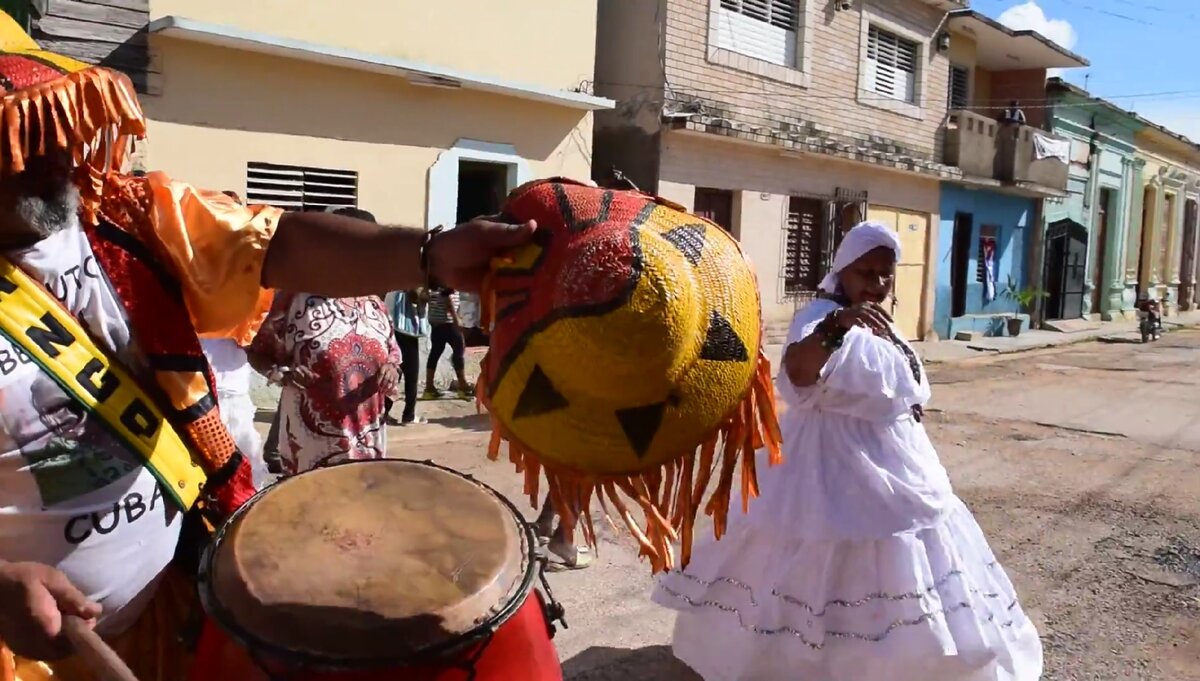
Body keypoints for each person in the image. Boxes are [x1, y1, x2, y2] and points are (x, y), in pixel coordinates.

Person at [0, 16, 537, 680]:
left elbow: (275, 242)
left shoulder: (128, 217)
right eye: (19, 134)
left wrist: (430, 254)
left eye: (50, 124)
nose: (54, 152)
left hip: (187, 603)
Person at [653, 221, 1042, 680]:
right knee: (815, 548)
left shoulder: (883, 324)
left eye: (885, 274)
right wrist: (836, 327)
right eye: (866, 273)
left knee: (900, 551)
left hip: (894, 458)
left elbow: (901, 384)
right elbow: (798, 372)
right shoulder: (819, 315)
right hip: (824, 460)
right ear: (842, 272)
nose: (877, 283)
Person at [247, 207, 402, 475]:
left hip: (369, 445)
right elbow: (257, 351)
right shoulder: (295, 299)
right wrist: (282, 374)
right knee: (313, 502)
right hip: (311, 451)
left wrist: (391, 369)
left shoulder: (375, 304)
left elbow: (393, 354)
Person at [384, 288, 429, 425]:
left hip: (391, 330)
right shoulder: (407, 289)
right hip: (405, 332)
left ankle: (384, 412)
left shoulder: (391, 290)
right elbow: (416, 295)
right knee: (411, 376)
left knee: (394, 373)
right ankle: (408, 415)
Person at [424, 286, 470, 398]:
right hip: (448, 322)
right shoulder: (448, 280)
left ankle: (429, 388)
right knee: (459, 351)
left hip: (436, 321)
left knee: (435, 352)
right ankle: (463, 386)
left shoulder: (433, 283)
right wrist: (456, 319)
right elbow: (448, 297)